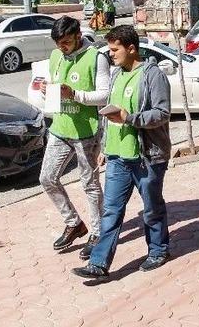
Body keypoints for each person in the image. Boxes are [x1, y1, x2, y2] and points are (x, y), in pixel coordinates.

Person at [72, 25, 172, 279]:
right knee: (112, 211)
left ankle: (158, 250)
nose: (111, 54)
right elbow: (109, 113)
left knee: (151, 207)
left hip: (146, 156)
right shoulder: (116, 75)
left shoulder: (152, 75)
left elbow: (162, 113)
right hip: (117, 157)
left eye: (115, 49)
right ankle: (99, 263)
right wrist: (105, 147)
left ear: (131, 48)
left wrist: (130, 118)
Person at [39, 17, 109, 259]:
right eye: (59, 44)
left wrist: (75, 94)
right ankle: (74, 223)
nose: (63, 48)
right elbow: (54, 85)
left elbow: (104, 95)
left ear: (78, 35)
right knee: (47, 178)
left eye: (66, 42)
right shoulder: (55, 56)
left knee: (89, 183)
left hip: (86, 131)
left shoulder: (96, 57)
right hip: (60, 126)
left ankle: (98, 232)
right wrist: (47, 90)